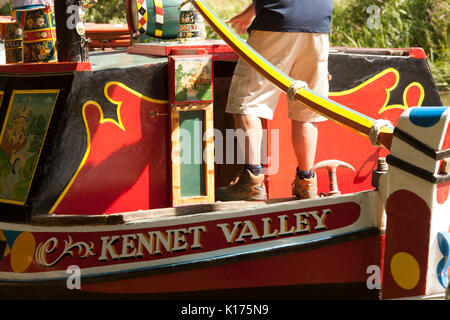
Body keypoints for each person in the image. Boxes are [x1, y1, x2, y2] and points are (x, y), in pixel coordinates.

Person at [216, 0, 333, 201]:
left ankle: (252, 183)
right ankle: (306, 183)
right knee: (306, 110)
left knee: (247, 102)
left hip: (276, 22)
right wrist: (249, 12)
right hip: (318, 26)